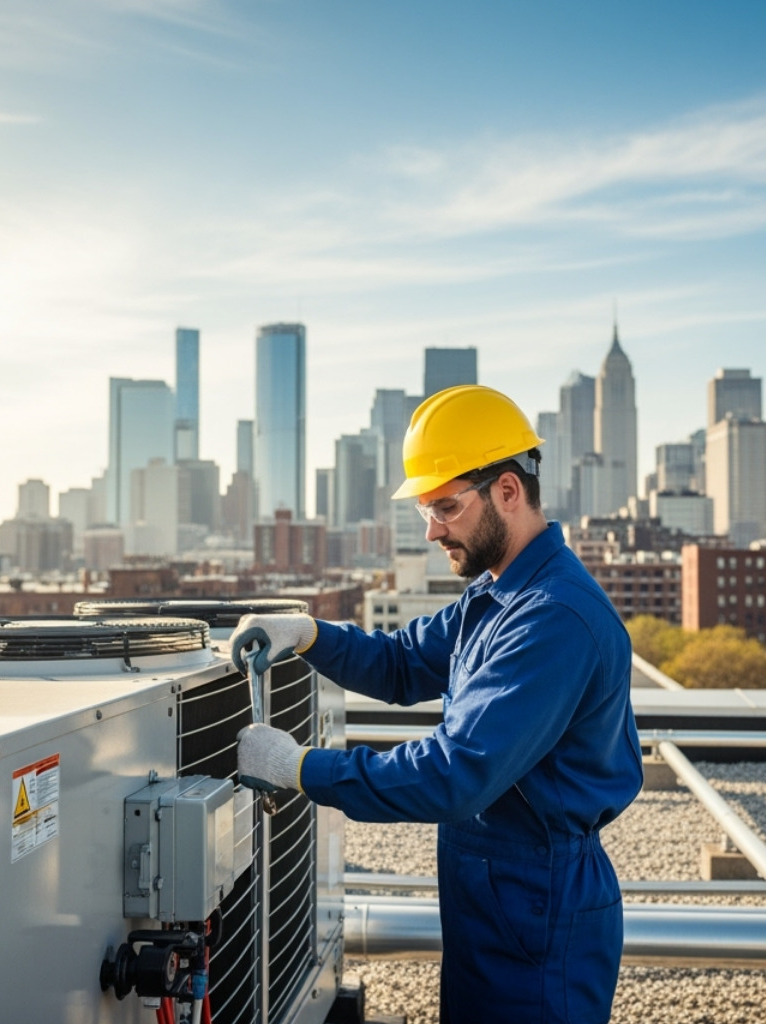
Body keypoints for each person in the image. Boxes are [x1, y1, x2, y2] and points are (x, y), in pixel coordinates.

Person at [231, 384, 642, 1023]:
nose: (431, 530)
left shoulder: (552, 617)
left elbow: (455, 774)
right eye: (426, 509)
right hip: (499, 899)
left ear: (508, 490)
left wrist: (299, 768)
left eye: (446, 506)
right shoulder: (499, 594)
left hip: (540, 910)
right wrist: (310, 634)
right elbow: (401, 663)